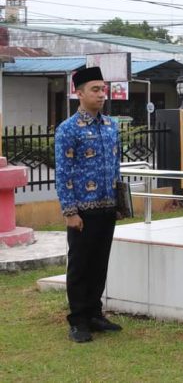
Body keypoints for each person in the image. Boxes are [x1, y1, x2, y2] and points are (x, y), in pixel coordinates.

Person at [54, 66, 123, 343]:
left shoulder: (110, 126)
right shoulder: (68, 129)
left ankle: (95, 313)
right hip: (82, 210)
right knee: (80, 266)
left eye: (103, 89)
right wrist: (70, 211)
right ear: (78, 93)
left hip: (107, 207)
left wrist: (119, 203)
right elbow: (64, 172)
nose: (101, 94)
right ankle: (78, 320)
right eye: (95, 89)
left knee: (99, 264)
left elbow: (116, 167)